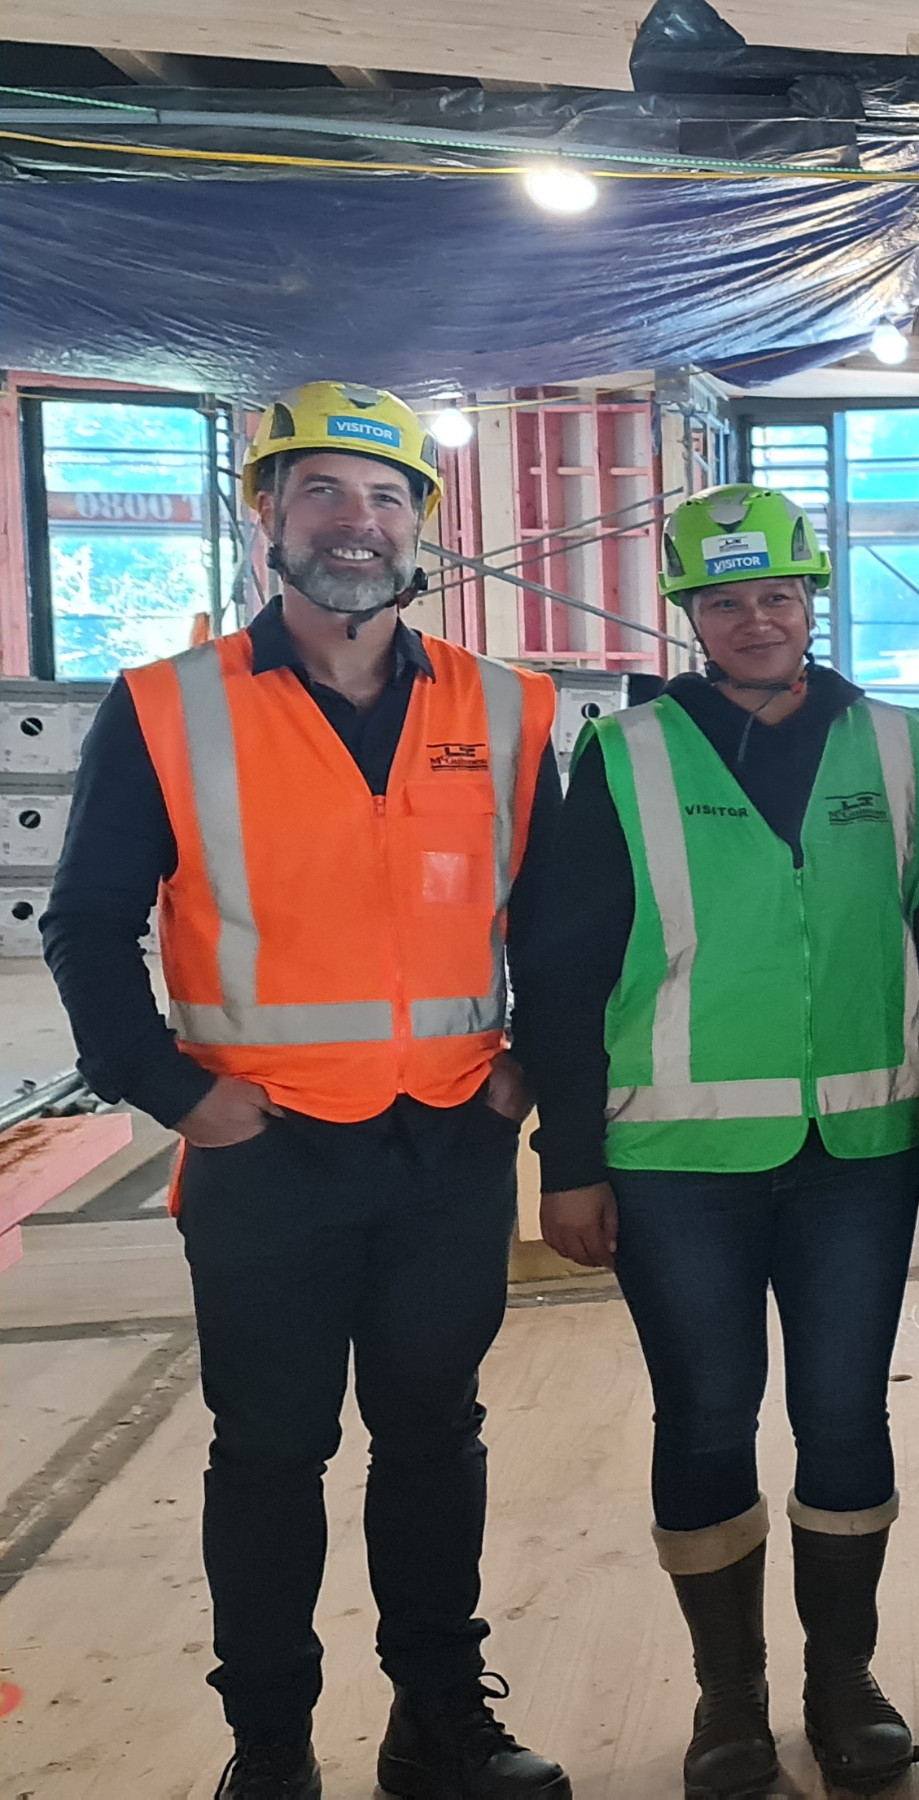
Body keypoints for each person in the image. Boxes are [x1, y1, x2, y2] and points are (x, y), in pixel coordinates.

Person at [39, 381, 568, 1800]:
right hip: (265, 1155)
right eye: (324, 492)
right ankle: (269, 1747)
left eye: (387, 497)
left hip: (446, 1145)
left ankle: (436, 1720)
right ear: (265, 513)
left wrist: (531, 1077)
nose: (357, 522)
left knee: (432, 1438)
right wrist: (162, 1087)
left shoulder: (505, 709)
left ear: (423, 528)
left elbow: (566, 922)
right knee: (269, 1451)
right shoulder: (169, 707)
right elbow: (86, 924)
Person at [508, 484, 919, 1798]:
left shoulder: (902, 742)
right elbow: (563, 967)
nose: (757, 619)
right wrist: (567, 1160)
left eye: (779, 595)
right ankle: (729, 1701)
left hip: (860, 1150)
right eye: (726, 600)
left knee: (845, 1415)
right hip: (675, 1161)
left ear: (814, 600)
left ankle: (841, 1683)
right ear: (690, 615)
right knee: (705, 1419)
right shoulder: (630, 755)